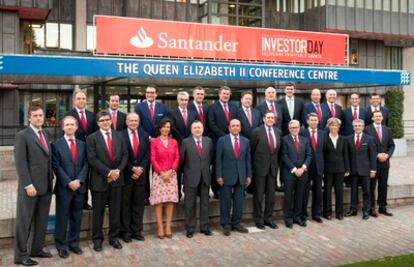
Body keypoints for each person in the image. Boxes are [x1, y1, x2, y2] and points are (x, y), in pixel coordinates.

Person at [14, 105, 53, 266]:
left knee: (42, 220)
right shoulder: (22, 135)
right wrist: (28, 184)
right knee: (25, 222)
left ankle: (36, 249)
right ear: (29, 118)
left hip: (46, 186)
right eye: (35, 116)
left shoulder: (45, 133)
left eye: (41, 115)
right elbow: (20, 163)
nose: (38, 118)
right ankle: (21, 255)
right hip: (30, 187)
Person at [86, 110, 128, 251]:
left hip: (117, 179)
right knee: (98, 212)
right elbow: (92, 159)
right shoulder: (92, 138)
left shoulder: (119, 135)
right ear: (98, 123)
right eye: (102, 120)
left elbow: (124, 155)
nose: (105, 122)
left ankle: (114, 238)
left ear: (111, 121)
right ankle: (97, 239)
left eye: (107, 119)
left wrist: (117, 171)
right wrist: (108, 172)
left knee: (115, 211)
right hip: (99, 180)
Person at [52, 116, 88, 258]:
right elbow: (56, 166)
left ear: (77, 127)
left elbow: (86, 163)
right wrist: (68, 181)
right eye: (67, 124)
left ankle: (74, 244)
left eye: (72, 124)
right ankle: (61, 245)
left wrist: (79, 180)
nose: (70, 127)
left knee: (76, 217)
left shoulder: (82, 144)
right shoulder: (56, 144)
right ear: (62, 127)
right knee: (62, 217)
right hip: (64, 188)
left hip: (79, 188)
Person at [216, 119, 252, 236]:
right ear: (229, 128)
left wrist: (249, 175)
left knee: (239, 202)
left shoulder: (245, 141)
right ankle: (226, 224)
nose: (236, 128)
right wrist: (219, 175)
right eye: (233, 126)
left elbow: (248, 160)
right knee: (225, 202)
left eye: (237, 126)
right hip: (226, 176)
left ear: (240, 128)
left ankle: (236, 223)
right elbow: (218, 160)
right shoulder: (222, 141)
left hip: (241, 176)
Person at [180, 121, 214, 238]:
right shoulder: (185, 142)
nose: (197, 130)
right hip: (190, 177)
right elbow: (182, 161)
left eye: (199, 127)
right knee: (190, 204)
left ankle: (204, 227)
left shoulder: (208, 141)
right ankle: (190, 228)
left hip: (205, 177)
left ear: (203, 129)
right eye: (195, 128)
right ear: (191, 130)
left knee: (205, 203)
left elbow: (210, 158)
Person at [135, 84, 168, 203]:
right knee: (145, 169)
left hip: (159, 143)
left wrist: (159, 138)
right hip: (144, 142)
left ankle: (159, 195)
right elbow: (137, 124)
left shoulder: (162, 107)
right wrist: (148, 137)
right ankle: (145, 197)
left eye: (152, 92)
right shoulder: (139, 107)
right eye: (148, 92)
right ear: (145, 94)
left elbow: (164, 123)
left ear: (156, 94)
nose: (150, 94)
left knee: (159, 170)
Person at [65, 89, 96, 210]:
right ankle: (73, 201)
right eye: (79, 98)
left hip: (89, 150)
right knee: (75, 174)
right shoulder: (69, 115)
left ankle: (84, 202)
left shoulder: (91, 115)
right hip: (74, 149)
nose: (81, 100)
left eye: (83, 98)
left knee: (87, 176)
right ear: (74, 101)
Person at [120, 112, 150, 243]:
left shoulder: (144, 135)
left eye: (136, 121)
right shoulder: (120, 135)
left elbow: (147, 155)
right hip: (126, 175)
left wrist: (139, 169)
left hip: (140, 176)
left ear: (139, 122)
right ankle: (126, 232)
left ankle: (137, 231)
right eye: (131, 120)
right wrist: (132, 168)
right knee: (125, 205)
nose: (133, 123)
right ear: (126, 122)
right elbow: (120, 156)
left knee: (139, 205)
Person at [250, 111, 282, 230]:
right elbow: (252, 150)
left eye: (272, 118)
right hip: (260, 168)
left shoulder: (278, 132)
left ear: (274, 120)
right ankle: (258, 219)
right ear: (263, 119)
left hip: (273, 168)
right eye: (268, 117)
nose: (270, 119)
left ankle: (268, 218)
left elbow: (278, 151)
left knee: (271, 195)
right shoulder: (256, 132)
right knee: (258, 195)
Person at [149, 118, 180, 239]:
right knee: (159, 202)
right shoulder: (154, 142)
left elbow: (177, 157)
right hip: (159, 175)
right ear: (160, 128)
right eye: (164, 126)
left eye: (168, 127)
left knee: (170, 201)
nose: (166, 129)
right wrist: (161, 172)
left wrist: (171, 171)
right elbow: (152, 158)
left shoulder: (174, 142)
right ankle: (160, 227)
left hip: (171, 175)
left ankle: (168, 226)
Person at [208, 86, 238, 198]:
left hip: (233, 142)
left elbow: (237, 123)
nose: (225, 95)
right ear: (219, 94)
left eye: (227, 94)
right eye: (224, 93)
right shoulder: (212, 107)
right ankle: (216, 190)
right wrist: (225, 136)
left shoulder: (234, 107)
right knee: (218, 165)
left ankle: (231, 186)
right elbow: (212, 124)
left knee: (230, 164)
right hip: (218, 141)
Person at [281, 120, 312, 228]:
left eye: (296, 127)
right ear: (289, 129)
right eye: (292, 128)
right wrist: (294, 169)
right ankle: (288, 218)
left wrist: (303, 168)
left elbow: (309, 155)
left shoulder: (305, 140)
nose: (294, 129)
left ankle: (297, 217)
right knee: (288, 196)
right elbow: (284, 156)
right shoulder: (284, 140)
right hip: (290, 172)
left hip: (303, 172)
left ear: (299, 128)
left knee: (300, 196)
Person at [364, 110, 395, 217]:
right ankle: (372, 208)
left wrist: (387, 155)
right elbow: (366, 146)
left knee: (383, 186)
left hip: (385, 163)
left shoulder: (387, 130)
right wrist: (377, 155)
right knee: (372, 186)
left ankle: (382, 207)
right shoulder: (367, 129)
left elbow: (392, 145)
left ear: (382, 118)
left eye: (380, 116)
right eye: (376, 116)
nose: (378, 118)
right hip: (373, 163)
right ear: (372, 118)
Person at [168, 91, 198, 200]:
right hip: (177, 145)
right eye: (182, 100)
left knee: (189, 169)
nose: (184, 102)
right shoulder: (171, 113)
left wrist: (189, 140)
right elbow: (173, 129)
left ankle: (188, 192)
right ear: (178, 100)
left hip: (191, 146)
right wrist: (184, 141)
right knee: (177, 170)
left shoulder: (193, 113)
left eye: (186, 100)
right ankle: (177, 194)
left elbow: (195, 127)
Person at [345, 119, 377, 220]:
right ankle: (353, 209)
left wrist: (373, 170)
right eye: (356, 126)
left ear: (363, 127)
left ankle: (366, 210)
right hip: (353, 171)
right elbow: (347, 156)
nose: (358, 127)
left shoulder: (369, 139)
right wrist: (347, 169)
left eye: (359, 125)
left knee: (366, 191)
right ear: (353, 127)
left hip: (365, 170)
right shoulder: (348, 139)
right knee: (353, 191)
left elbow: (372, 156)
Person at [300, 113, 326, 223]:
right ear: (307, 121)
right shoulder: (302, 133)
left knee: (317, 191)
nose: (314, 122)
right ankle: (303, 214)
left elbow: (324, 150)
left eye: (316, 120)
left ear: (318, 121)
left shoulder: (323, 134)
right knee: (304, 190)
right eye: (312, 120)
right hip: (306, 166)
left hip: (319, 165)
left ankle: (316, 214)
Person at [323, 118, 350, 220]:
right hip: (328, 169)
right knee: (327, 191)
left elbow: (346, 154)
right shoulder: (325, 138)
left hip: (340, 169)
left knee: (339, 191)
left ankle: (339, 213)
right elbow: (323, 154)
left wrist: (347, 168)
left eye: (336, 125)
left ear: (339, 127)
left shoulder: (343, 139)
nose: (334, 127)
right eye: (332, 125)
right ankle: (328, 212)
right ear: (329, 126)